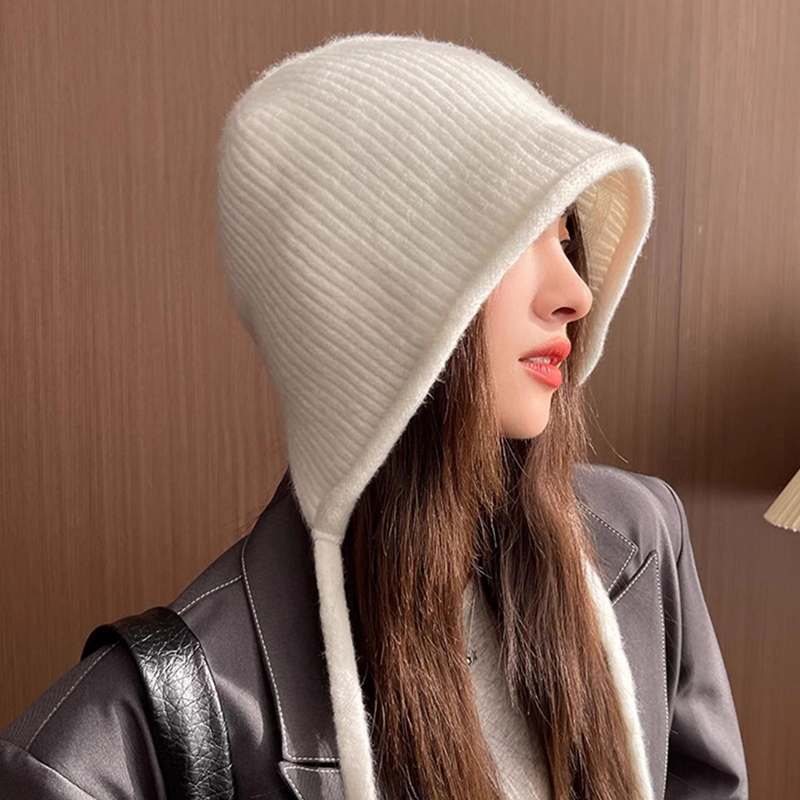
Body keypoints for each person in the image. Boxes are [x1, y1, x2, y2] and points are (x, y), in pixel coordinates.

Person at [0, 31, 748, 800]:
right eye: (518, 239)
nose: (576, 294)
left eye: (566, 240)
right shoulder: (141, 730)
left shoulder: (641, 541)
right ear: (370, 293)